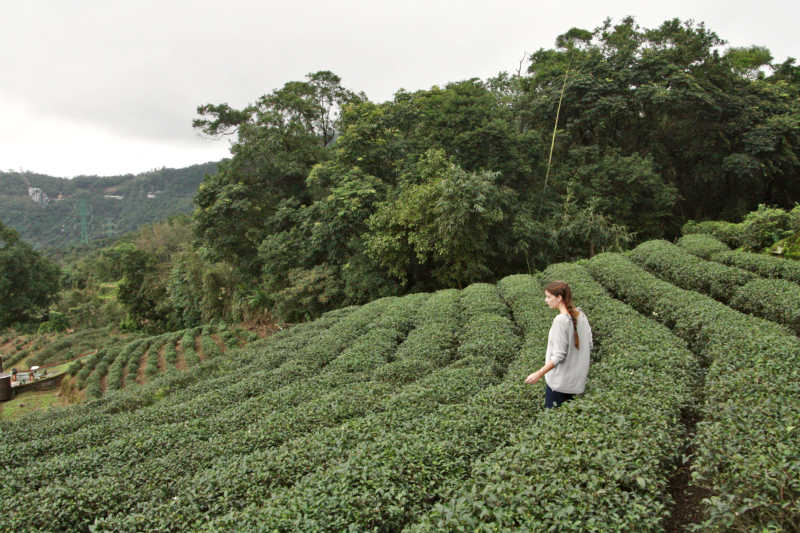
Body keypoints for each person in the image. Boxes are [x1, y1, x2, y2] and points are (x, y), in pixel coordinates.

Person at [524, 280, 592, 408]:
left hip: (559, 385)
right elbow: (589, 343)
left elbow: (558, 356)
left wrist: (538, 374)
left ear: (559, 298)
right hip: (577, 384)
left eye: (549, 297)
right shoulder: (581, 315)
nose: (546, 300)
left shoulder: (561, 321)